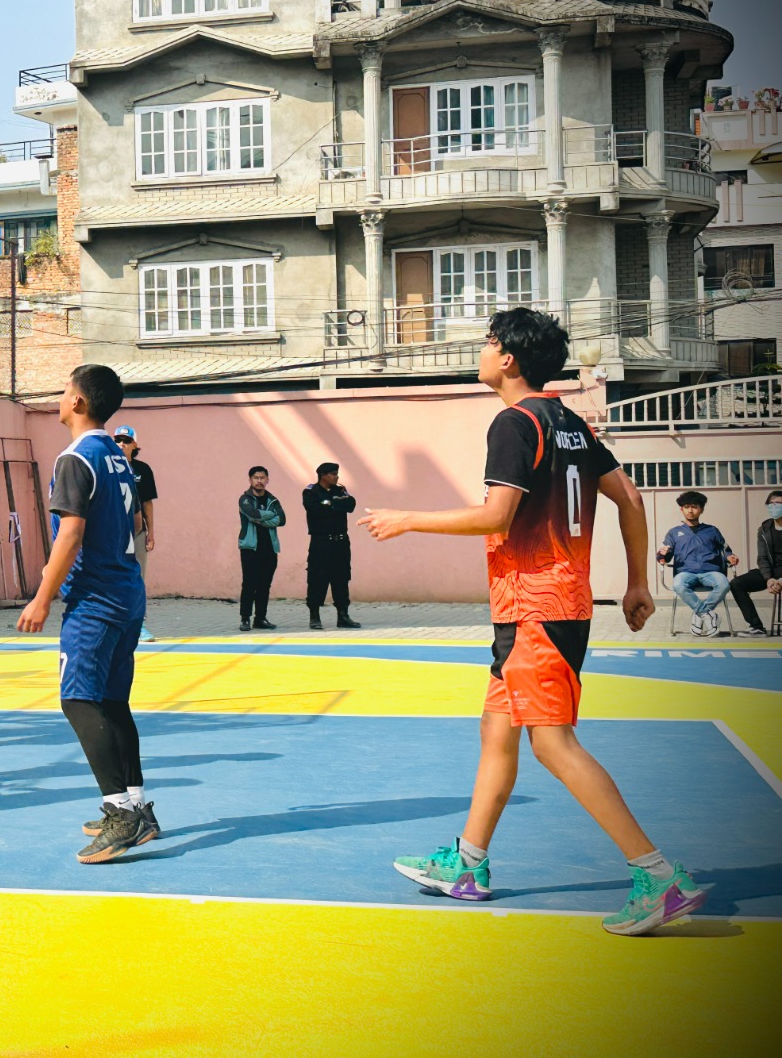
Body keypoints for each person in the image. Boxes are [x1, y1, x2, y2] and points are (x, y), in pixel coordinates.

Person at [360, 306, 708, 936]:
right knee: (497, 731)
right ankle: (468, 864)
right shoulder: (569, 422)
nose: (481, 350)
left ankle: (658, 876)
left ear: (508, 358)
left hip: (535, 610)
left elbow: (496, 516)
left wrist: (408, 519)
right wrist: (636, 582)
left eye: (488, 341)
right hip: (549, 606)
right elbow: (630, 498)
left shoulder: (515, 423)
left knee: (552, 744)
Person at [18, 365, 157, 864]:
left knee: (77, 699)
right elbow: (131, 521)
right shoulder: (118, 457)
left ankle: (120, 813)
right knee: (113, 702)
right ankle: (138, 807)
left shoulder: (76, 457)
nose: (59, 397)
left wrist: (42, 595)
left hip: (95, 600)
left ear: (77, 402)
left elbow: (72, 534)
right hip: (127, 590)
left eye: (63, 390)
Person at [657, 491, 740, 637]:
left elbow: (727, 550)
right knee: (678, 585)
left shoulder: (712, 531)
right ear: (681, 509)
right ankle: (707, 615)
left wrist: (730, 557)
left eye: (694, 507)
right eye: (686, 507)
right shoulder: (674, 533)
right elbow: (665, 556)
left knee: (724, 584)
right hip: (685, 572)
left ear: (701, 509)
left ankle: (700, 614)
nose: (690, 510)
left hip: (711, 571)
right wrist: (662, 555)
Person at [113, 425, 157, 642]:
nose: (122, 444)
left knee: (136, 577)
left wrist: (151, 533)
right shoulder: (106, 467)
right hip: (111, 532)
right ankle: (113, 624)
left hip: (137, 532)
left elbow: (147, 503)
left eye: (126, 440)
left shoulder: (142, 469)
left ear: (135, 445)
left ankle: (139, 624)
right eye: (118, 440)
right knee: (111, 576)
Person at [303, 462, 360, 629]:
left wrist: (329, 504)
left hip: (340, 542)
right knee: (317, 578)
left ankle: (343, 616)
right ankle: (314, 617)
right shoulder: (311, 491)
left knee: (341, 578)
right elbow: (315, 510)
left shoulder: (340, 490)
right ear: (323, 475)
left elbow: (351, 505)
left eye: (337, 473)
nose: (337, 477)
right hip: (321, 542)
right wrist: (336, 505)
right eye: (333, 474)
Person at [726, 489, 782, 637]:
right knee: (737, 584)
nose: (774, 506)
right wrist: (769, 578)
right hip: (771, 571)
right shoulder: (764, 529)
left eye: (778, 503)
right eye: (771, 503)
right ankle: (756, 627)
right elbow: (762, 558)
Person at [237, 465, 285, 631]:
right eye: (256, 478)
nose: (259, 481)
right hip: (250, 548)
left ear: (267, 480)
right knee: (249, 584)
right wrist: (270, 515)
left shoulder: (273, 500)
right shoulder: (245, 499)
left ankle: (260, 618)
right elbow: (252, 514)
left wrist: (261, 519)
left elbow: (282, 519)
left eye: (262, 478)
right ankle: (245, 618)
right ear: (250, 480)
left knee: (265, 585)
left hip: (270, 549)